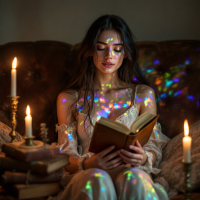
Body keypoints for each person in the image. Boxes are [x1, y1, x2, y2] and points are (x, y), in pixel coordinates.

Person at [49, 15, 170, 200]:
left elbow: (154, 146)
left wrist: (144, 158)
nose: (109, 56)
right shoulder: (69, 98)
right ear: (90, 50)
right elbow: (64, 155)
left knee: (135, 178)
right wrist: (88, 163)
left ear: (126, 53)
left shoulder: (143, 95)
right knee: (97, 179)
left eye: (117, 49)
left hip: (131, 173)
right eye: (101, 48)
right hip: (90, 175)